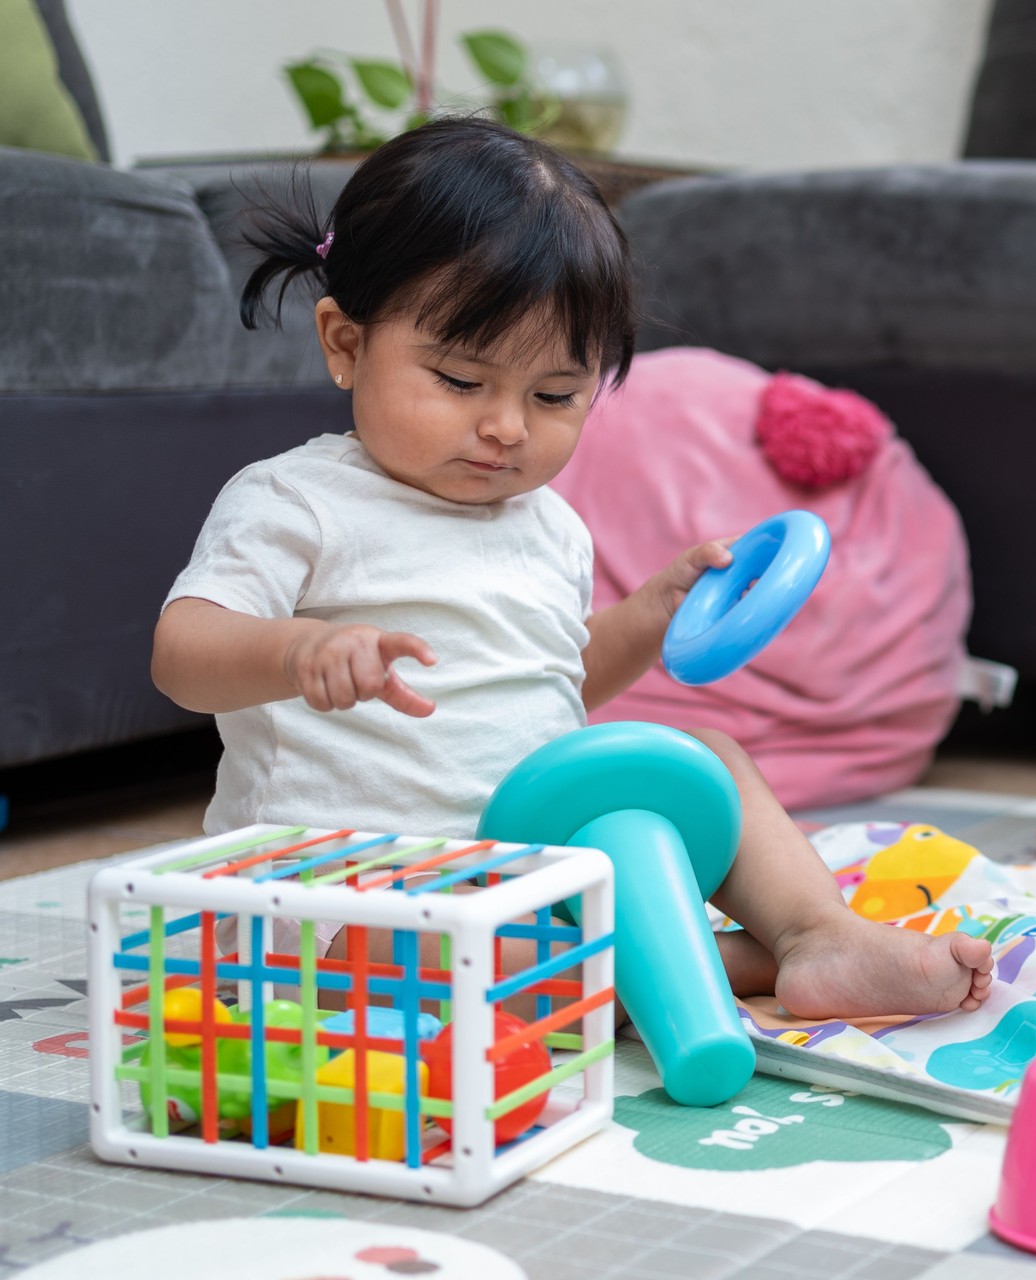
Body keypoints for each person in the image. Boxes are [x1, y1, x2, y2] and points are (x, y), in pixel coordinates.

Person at [150, 118, 992, 1022]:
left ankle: (816, 935)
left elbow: (547, 683)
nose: (508, 426)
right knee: (475, 960)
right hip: (340, 908)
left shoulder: (548, 524)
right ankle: (694, 967)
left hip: (526, 871)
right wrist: (294, 652)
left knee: (700, 758)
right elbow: (180, 654)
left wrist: (651, 614)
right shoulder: (297, 501)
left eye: (554, 395)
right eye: (462, 382)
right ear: (347, 343)